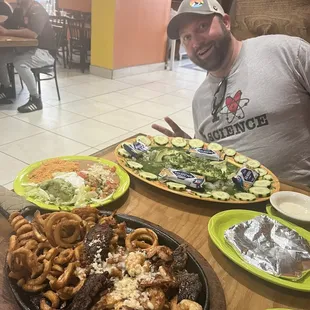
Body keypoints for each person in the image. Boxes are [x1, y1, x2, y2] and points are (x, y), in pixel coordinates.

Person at [152, 0, 310, 186]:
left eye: (202, 26)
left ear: (226, 22)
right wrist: (191, 148)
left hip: (297, 197)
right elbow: (212, 159)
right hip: (233, 202)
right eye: (186, 37)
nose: (195, 42)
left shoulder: (286, 52)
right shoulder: (200, 100)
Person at [0, 0, 56, 113]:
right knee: (1, 57)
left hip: (45, 52)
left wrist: (7, 32)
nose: (19, 1)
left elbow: (33, 33)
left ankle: (36, 99)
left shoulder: (37, 10)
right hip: (28, 49)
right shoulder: (20, 10)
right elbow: (9, 25)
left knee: (20, 63)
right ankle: (7, 89)